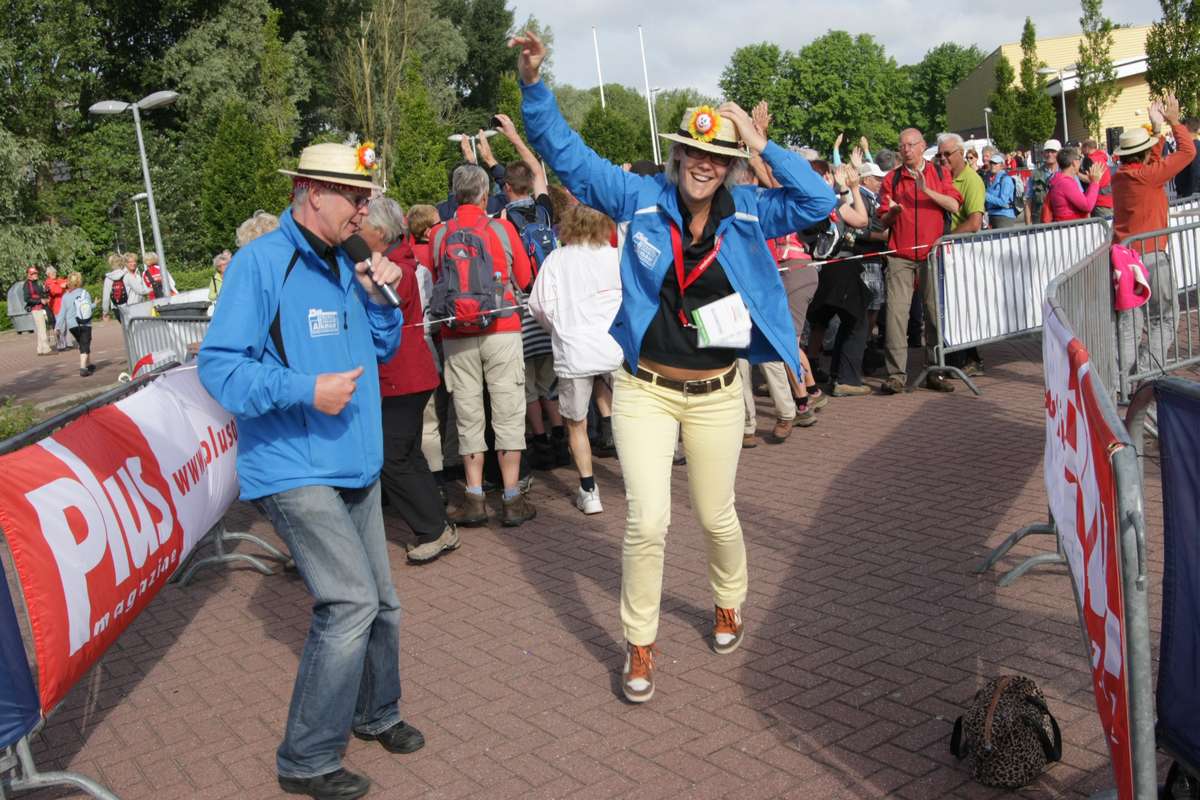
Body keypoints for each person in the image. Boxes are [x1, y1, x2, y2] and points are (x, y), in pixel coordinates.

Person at [513, 30, 835, 703]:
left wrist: (757, 141)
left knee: (717, 517)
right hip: (644, 390)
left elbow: (818, 202)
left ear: (725, 165)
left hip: (717, 393)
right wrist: (535, 87)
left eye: (716, 157)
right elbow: (568, 157)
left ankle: (727, 601)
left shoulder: (749, 210)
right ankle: (639, 643)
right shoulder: (640, 199)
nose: (703, 165)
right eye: (694, 151)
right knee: (648, 521)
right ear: (678, 153)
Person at [198, 141, 424, 800]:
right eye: (353, 196)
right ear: (310, 192)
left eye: (365, 196)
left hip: (354, 458)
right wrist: (305, 389)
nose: (364, 208)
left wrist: (383, 297)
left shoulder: (347, 262)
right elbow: (220, 367)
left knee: (382, 603)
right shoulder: (260, 264)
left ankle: (376, 713)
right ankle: (307, 759)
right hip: (294, 462)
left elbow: (380, 348)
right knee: (349, 601)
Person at [432, 164, 536, 528]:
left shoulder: (439, 234)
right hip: (502, 328)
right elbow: (524, 278)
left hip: (456, 335)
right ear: (482, 194)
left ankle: (473, 497)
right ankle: (511, 498)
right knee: (508, 409)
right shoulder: (501, 229)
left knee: (468, 412)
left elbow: (437, 282)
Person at [359, 197, 459, 564]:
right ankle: (437, 525)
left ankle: (433, 529)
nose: (358, 230)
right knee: (407, 454)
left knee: (393, 458)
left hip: (401, 377)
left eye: (363, 226)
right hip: (409, 375)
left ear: (381, 233)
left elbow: (385, 305)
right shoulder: (399, 260)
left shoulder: (393, 269)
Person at [478, 114, 568, 471]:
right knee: (550, 380)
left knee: (527, 384)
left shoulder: (501, 220)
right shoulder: (545, 211)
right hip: (552, 306)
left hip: (523, 307)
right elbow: (534, 167)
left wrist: (485, 163)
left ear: (505, 189)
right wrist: (514, 137)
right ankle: (561, 436)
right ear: (529, 184)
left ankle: (540, 441)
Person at [527, 204, 622, 514]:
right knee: (628, 416)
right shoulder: (613, 255)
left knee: (576, 422)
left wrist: (561, 327)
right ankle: (635, 480)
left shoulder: (557, 259)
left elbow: (539, 305)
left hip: (574, 347)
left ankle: (589, 489)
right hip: (613, 345)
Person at [1112, 94, 1195, 381]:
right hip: (1150, 257)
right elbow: (1187, 153)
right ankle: (1147, 373)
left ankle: (1123, 380)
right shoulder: (1148, 176)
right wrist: (1173, 121)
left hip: (1123, 258)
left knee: (1130, 322)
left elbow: (1152, 162)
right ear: (1144, 154)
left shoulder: (1120, 176)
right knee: (1166, 319)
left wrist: (1156, 131)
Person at [877, 128, 963, 394]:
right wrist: (892, 214)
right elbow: (882, 219)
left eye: (911, 145)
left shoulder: (939, 173)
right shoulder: (891, 178)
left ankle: (935, 371)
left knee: (935, 314)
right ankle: (896, 375)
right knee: (895, 316)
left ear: (922, 146)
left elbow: (954, 205)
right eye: (902, 146)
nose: (906, 150)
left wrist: (928, 191)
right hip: (900, 256)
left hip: (931, 255)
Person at [937, 133, 986, 376]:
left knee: (965, 306)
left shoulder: (972, 180)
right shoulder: (941, 177)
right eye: (940, 154)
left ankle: (972, 358)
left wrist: (943, 238)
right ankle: (956, 356)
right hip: (945, 252)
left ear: (960, 153)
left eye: (947, 154)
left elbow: (975, 221)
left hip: (963, 252)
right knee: (949, 306)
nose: (943, 159)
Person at [1047, 147, 1104, 221]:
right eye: (1079, 158)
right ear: (1074, 162)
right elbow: (1087, 206)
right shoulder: (1065, 183)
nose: (1080, 162)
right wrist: (1095, 183)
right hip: (1070, 228)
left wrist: (1091, 183)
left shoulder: (1061, 180)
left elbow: (1082, 201)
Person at [60, 272, 95, 377]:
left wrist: (58, 326)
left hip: (72, 325)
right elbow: (87, 308)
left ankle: (89, 364)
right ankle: (83, 368)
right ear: (79, 281)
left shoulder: (65, 296)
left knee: (83, 342)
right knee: (85, 343)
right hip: (84, 323)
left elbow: (62, 313)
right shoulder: (84, 293)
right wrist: (95, 305)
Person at [1025, 139, 1060, 224]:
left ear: (1059, 154)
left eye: (1053, 151)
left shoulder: (1067, 172)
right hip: (1040, 222)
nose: (1049, 154)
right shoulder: (1034, 174)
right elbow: (1028, 201)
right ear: (1043, 154)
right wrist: (1028, 225)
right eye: (1047, 151)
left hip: (1061, 221)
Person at [22, 266, 53, 355]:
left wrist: (46, 292)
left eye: (35, 273)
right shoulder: (27, 284)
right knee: (42, 328)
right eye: (33, 274)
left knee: (41, 329)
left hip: (41, 308)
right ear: (28, 275)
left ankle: (40, 349)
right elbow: (27, 299)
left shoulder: (36, 283)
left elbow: (40, 294)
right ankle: (46, 349)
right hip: (36, 309)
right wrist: (40, 300)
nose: (35, 275)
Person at [1080, 139, 1114, 219]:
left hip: (1098, 200)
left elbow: (1090, 179)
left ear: (1087, 148)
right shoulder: (1102, 157)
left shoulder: (1089, 160)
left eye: (1082, 149)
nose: (1082, 152)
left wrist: (1076, 173)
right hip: (1109, 198)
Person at [984, 153, 1019, 229]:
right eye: (991, 163)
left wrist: (985, 196)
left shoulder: (1006, 179)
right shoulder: (989, 179)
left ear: (1002, 165)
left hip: (1004, 217)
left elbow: (1003, 202)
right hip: (991, 216)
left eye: (995, 163)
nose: (993, 165)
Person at [1173, 117, 1200, 199]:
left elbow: (1196, 172)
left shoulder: (1193, 148)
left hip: (1191, 196)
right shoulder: (1190, 147)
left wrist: (1189, 195)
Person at [43, 266, 69, 350]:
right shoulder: (48, 282)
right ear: (48, 274)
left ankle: (64, 343)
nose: (54, 274)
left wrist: (66, 284)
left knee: (64, 327)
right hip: (56, 307)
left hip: (64, 305)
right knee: (60, 326)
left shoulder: (58, 280)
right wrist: (62, 286)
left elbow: (68, 282)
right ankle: (60, 345)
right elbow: (55, 291)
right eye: (52, 273)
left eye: (54, 272)